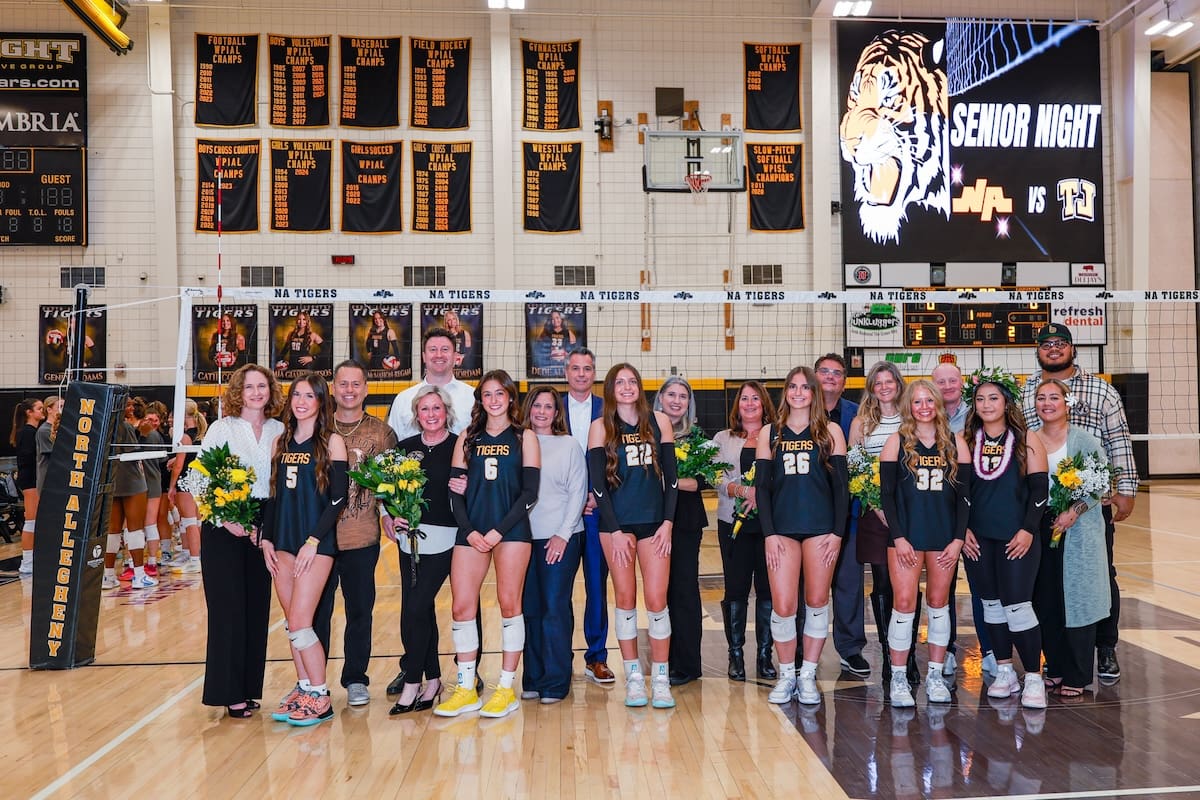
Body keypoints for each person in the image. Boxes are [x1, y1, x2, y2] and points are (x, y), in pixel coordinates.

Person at [1020, 322, 1138, 683]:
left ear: (1072, 348)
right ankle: (1054, 658)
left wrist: (1126, 488)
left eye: (1060, 343)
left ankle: (1104, 648)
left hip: (1089, 505)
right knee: (1048, 584)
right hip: (1042, 509)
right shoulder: (1025, 391)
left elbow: (1118, 439)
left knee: (1099, 577)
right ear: (1037, 350)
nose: (1053, 349)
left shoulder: (1101, 390)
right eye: (1046, 344)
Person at [435, 370, 540, 719]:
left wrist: (497, 531)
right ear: (480, 399)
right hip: (471, 531)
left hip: (510, 531)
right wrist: (469, 529)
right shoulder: (468, 437)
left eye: (500, 393)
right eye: (487, 394)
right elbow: (455, 491)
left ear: (511, 397)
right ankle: (466, 688)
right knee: (461, 608)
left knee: (510, 605)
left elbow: (530, 493)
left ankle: (506, 688)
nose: (493, 400)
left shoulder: (525, 437)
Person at [385, 326, 479, 695]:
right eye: (432, 349)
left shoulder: (472, 398)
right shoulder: (404, 398)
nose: (439, 354)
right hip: (413, 523)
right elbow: (391, 466)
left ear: (457, 355)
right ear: (423, 355)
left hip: (460, 520)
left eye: (446, 349)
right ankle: (417, 668)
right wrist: (387, 513)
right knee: (415, 601)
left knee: (465, 596)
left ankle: (467, 667)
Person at [755, 366, 849, 705]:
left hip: (821, 529)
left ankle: (807, 675)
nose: (798, 393)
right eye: (792, 386)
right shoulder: (771, 432)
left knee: (817, 601)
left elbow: (842, 489)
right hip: (781, 530)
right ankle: (786, 675)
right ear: (786, 392)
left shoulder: (831, 431)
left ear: (813, 392)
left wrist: (838, 534)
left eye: (804, 387)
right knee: (783, 605)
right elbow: (762, 489)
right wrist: (768, 534)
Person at [587, 363, 679, 709]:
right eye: (619, 382)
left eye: (632, 382)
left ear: (640, 387)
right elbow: (597, 485)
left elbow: (671, 479)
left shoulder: (659, 422)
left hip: (655, 525)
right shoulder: (600, 427)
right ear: (610, 389)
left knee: (656, 601)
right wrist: (614, 529)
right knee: (625, 600)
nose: (626, 387)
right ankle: (634, 679)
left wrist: (668, 523)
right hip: (616, 527)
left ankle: (660, 679)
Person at [260, 372, 348, 727]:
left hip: (315, 543)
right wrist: (266, 535)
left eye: (309, 396)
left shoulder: (332, 442)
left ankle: (320, 696)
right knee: (291, 623)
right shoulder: (280, 442)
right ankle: (304, 687)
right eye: (296, 395)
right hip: (282, 540)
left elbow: (338, 498)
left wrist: (314, 540)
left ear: (320, 402)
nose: (301, 401)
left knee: (301, 621)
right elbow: (273, 495)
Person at [198, 364, 284, 719]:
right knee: (227, 611)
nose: (256, 393)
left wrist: (267, 527)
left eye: (262, 386)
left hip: (264, 527)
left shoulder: (281, 429)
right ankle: (227, 691)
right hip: (224, 527)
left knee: (255, 609)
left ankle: (249, 688)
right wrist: (228, 519)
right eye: (249, 387)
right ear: (238, 391)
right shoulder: (222, 428)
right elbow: (201, 480)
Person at [878, 380, 972, 707]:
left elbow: (965, 499)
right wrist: (899, 537)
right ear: (909, 406)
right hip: (906, 537)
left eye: (928, 400)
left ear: (937, 404)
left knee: (938, 602)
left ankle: (935, 675)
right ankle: (899, 676)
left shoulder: (955, 443)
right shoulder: (897, 442)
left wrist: (958, 538)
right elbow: (886, 496)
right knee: (904, 604)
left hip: (944, 536)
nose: (923, 407)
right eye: (917, 402)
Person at [960, 368, 1049, 709]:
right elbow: (961, 491)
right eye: (980, 399)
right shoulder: (967, 441)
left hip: (1017, 538)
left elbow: (1040, 491)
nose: (986, 404)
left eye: (993, 397)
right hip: (978, 539)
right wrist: (963, 529)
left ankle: (1034, 678)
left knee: (1018, 606)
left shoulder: (1027, 439)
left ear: (1006, 401)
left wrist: (1028, 529)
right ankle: (1004, 671)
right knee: (991, 606)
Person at [317, 360, 398, 708]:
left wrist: (391, 515)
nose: (349, 390)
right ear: (333, 388)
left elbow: (391, 484)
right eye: (343, 384)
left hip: (361, 536)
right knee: (317, 611)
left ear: (366, 389)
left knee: (360, 610)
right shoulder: (317, 430)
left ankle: (355, 679)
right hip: (318, 538)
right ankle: (314, 680)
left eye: (356, 384)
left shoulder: (382, 433)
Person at [1031, 378, 1112, 699]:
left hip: (1077, 530)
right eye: (1041, 398)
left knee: (1079, 599)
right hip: (1041, 527)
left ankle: (1078, 674)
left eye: (1053, 397)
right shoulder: (1028, 439)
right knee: (1046, 599)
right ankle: (1056, 667)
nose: (1047, 403)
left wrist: (1074, 511)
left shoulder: (1086, 440)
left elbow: (1100, 483)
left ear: (1068, 403)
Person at [388, 386, 458, 715]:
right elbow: (387, 490)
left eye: (437, 408)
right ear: (416, 415)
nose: (431, 414)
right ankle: (433, 680)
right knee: (421, 608)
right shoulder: (405, 449)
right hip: (409, 538)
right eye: (424, 409)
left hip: (446, 536)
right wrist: (390, 515)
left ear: (446, 412)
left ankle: (412, 680)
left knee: (415, 607)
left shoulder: (460, 446)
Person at [848, 362, 915, 684]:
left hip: (912, 511)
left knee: (909, 585)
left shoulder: (912, 418)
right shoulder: (862, 423)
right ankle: (890, 655)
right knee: (884, 584)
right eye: (879, 382)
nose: (885, 386)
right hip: (875, 511)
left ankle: (909, 654)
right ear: (871, 387)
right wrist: (876, 504)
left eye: (890, 381)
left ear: (899, 385)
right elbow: (854, 467)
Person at [521, 385, 586, 703]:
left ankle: (557, 680)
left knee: (554, 608)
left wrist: (562, 533)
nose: (542, 412)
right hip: (521, 540)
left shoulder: (569, 444)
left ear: (556, 412)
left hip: (561, 537)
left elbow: (578, 492)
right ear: (528, 409)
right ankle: (533, 677)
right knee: (530, 609)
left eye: (548, 406)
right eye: (537, 405)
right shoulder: (518, 442)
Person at [713, 381, 778, 682]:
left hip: (769, 526)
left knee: (768, 591)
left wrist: (763, 493)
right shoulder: (722, 438)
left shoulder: (777, 437)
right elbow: (715, 478)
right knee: (735, 589)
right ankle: (735, 655)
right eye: (744, 399)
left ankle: (765, 655)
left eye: (756, 398)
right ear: (737, 405)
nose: (750, 403)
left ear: (764, 403)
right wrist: (742, 490)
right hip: (733, 522)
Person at [931, 357, 991, 678]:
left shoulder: (979, 415)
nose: (947, 386)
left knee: (983, 585)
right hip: (942, 515)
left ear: (962, 382)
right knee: (944, 588)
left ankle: (992, 649)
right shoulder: (927, 417)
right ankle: (947, 648)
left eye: (952, 380)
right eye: (940, 381)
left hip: (977, 512)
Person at [562, 348, 614, 684]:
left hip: (597, 514)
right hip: (558, 515)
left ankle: (596, 657)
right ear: (565, 372)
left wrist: (597, 498)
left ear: (594, 374)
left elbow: (616, 461)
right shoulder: (548, 408)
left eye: (588, 368)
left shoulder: (608, 411)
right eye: (576, 368)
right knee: (558, 589)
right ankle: (558, 655)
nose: (582, 374)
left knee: (597, 587)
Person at [814, 353, 869, 677]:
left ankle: (850, 649)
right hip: (810, 517)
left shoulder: (857, 415)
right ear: (815, 375)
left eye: (837, 373)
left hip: (849, 515)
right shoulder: (800, 413)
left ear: (845, 381)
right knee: (811, 588)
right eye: (825, 371)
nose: (831, 377)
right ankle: (805, 651)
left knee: (849, 585)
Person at [653, 376, 707, 687]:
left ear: (689, 403)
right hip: (652, 520)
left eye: (683, 396)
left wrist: (667, 482)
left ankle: (687, 664)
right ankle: (664, 660)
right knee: (660, 593)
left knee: (684, 591)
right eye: (671, 394)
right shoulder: (646, 434)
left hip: (685, 522)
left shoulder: (696, 437)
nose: (676, 400)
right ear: (659, 398)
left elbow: (703, 481)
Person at [101, 412, 154, 590]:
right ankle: (139, 575)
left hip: (111, 479)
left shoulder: (99, 423)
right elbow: (134, 453)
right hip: (131, 480)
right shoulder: (124, 426)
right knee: (135, 528)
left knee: (113, 530)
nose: (131, 408)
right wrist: (144, 435)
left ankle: (108, 575)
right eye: (128, 404)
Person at [166, 399, 207, 574]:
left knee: (189, 521)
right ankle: (195, 556)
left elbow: (179, 466)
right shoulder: (201, 433)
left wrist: (171, 486)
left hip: (186, 480)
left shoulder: (184, 436)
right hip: (199, 479)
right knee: (196, 521)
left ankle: (194, 559)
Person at [135, 401, 169, 577]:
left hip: (144, 482)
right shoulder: (154, 435)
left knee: (145, 524)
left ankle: (145, 562)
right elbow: (163, 462)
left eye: (155, 419)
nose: (152, 422)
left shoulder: (143, 435)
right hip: (149, 482)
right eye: (149, 419)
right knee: (147, 524)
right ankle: (150, 562)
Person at [12, 398, 45, 576]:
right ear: (29, 412)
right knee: (31, 521)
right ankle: (26, 562)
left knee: (36, 520)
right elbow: (27, 459)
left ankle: (33, 559)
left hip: (34, 479)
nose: (43, 411)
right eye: (39, 408)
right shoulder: (27, 432)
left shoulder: (34, 431)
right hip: (30, 480)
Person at [35, 395, 63, 494]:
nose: (62, 410)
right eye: (60, 407)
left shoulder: (62, 429)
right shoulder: (44, 430)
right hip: (48, 479)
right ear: (49, 410)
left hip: (59, 478)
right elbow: (56, 455)